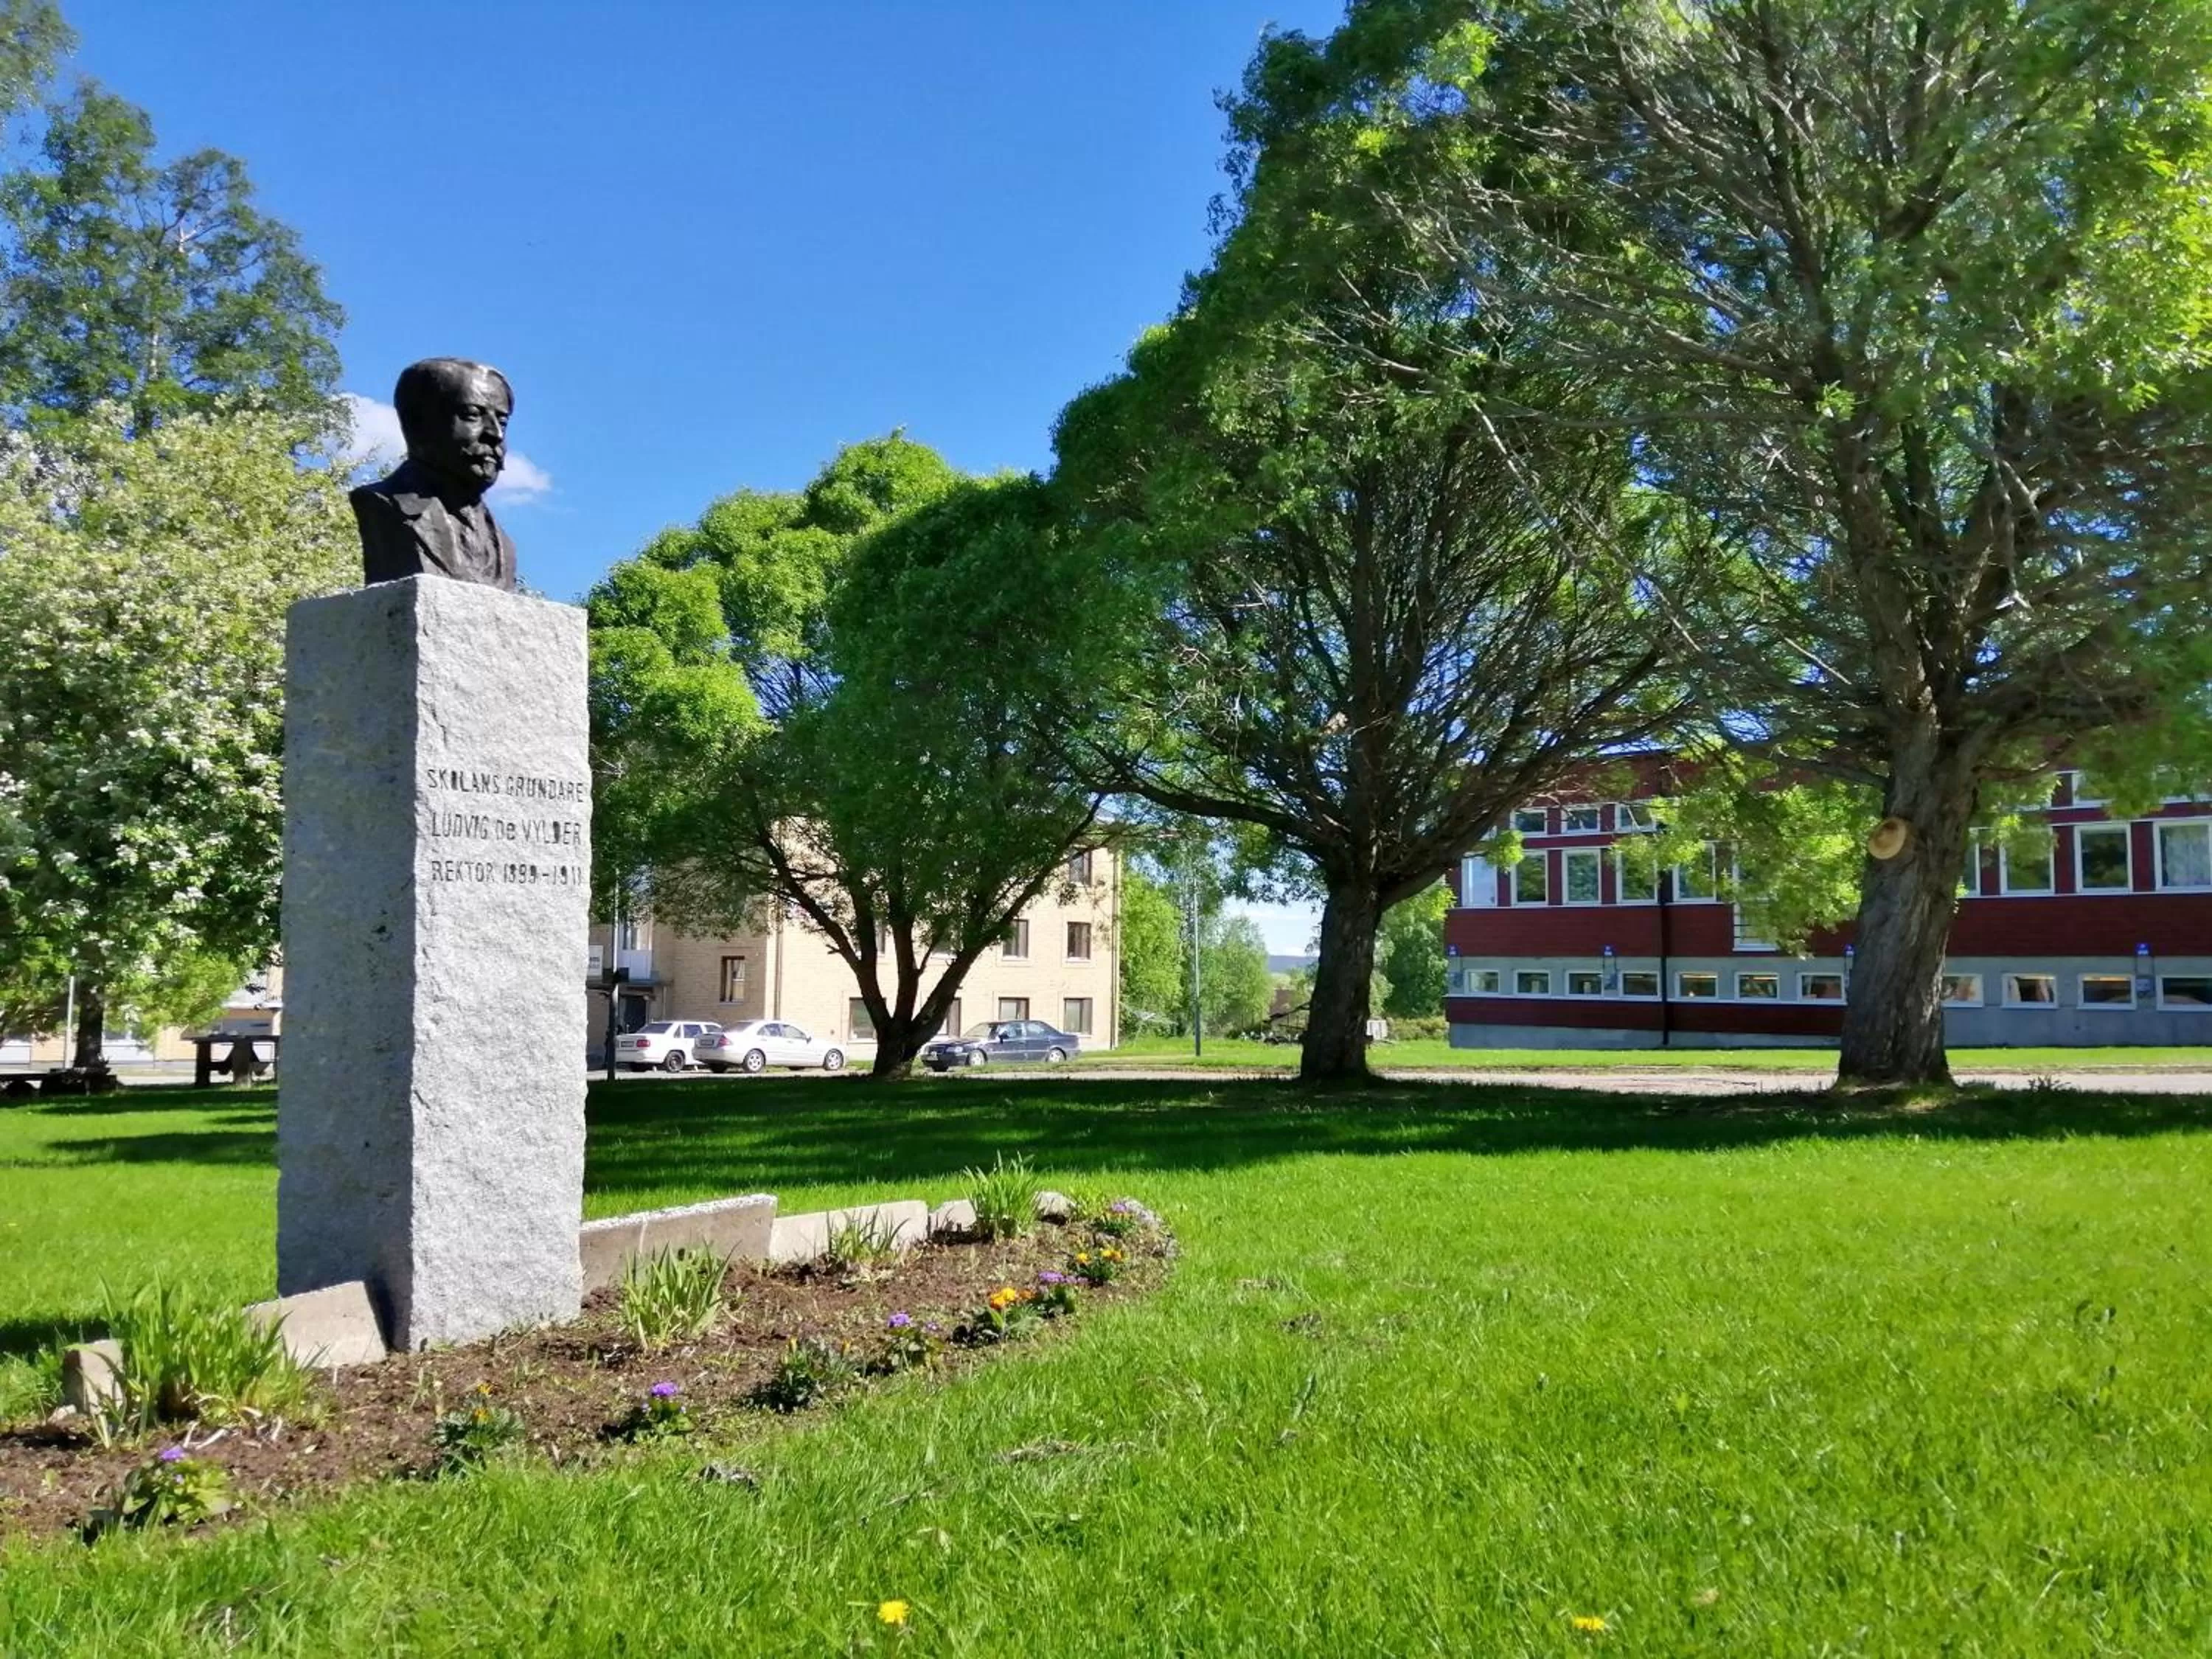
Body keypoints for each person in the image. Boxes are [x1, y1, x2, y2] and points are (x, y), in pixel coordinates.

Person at [349, 358, 519, 590]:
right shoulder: (382, 506)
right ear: (417, 423)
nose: (496, 434)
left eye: (502, 421)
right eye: (472, 414)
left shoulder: (505, 546)